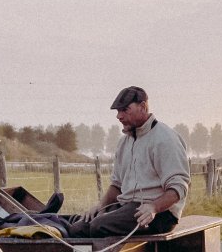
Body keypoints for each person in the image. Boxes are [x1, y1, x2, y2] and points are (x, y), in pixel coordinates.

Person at [67, 86, 190, 237]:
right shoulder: (124, 143)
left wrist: (153, 207)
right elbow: (117, 185)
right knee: (76, 228)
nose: (119, 116)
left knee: (98, 227)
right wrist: (100, 206)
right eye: (118, 112)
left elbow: (179, 187)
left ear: (143, 107)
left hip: (160, 214)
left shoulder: (165, 139)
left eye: (125, 110)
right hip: (127, 207)